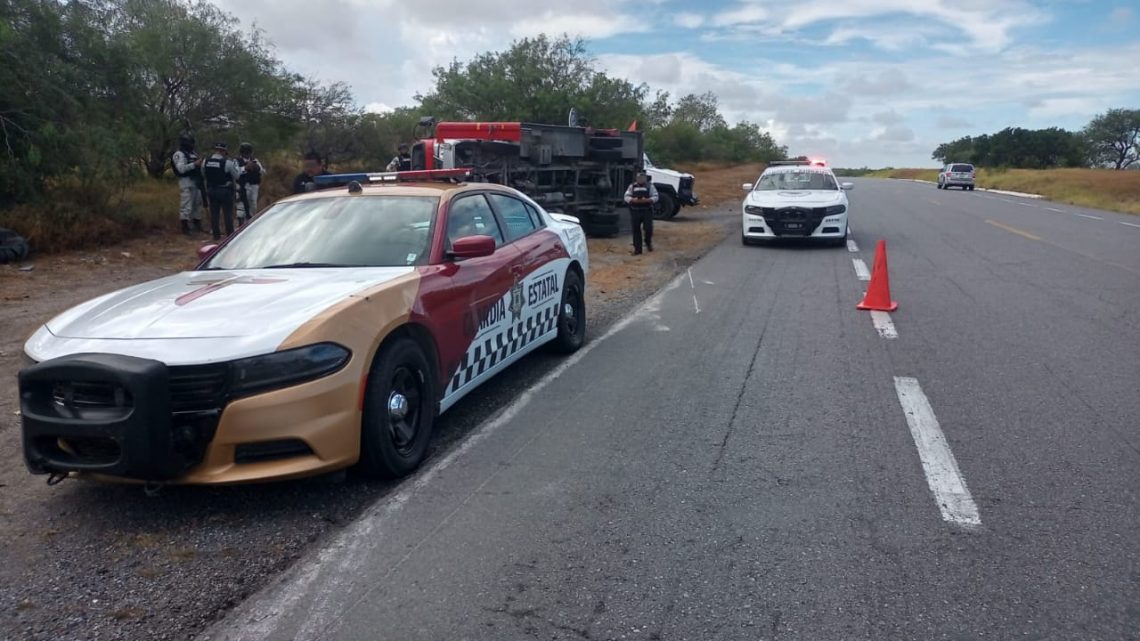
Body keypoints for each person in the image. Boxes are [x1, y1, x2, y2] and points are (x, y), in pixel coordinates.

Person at [202, 142, 241, 240]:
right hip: (225, 190)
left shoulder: (205, 161)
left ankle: (216, 235)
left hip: (211, 190)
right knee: (227, 214)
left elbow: (203, 174)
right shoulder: (227, 162)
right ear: (224, 151)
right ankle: (230, 235)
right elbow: (237, 176)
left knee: (214, 214)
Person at [171, 134, 206, 235]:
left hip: (196, 181)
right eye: (191, 143)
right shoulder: (179, 154)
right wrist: (194, 164)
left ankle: (197, 224)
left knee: (197, 203)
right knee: (186, 204)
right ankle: (185, 227)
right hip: (186, 181)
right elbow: (181, 169)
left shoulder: (193, 153)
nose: (192, 145)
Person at [623, 170, 659, 255]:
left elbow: (656, 196)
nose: (641, 179)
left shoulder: (650, 186)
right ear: (636, 178)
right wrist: (632, 200)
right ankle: (637, 249)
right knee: (636, 230)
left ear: (645, 178)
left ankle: (648, 242)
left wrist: (648, 200)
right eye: (639, 178)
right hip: (635, 211)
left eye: (642, 177)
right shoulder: (632, 186)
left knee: (648, 228)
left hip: (647, 210)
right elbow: (626, 196)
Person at [235, 142, 265, 226]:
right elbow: (235, 172)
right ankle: (241, 224)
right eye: (245, 152)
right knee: (241, 205)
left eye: (248, 152)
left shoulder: (255, 160)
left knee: (253, 204)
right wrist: (245, 168)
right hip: (242, 185)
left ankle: (251, 222)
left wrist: (257, 168)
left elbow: (262, 172)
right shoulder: (237, 161)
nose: (247, 154)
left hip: (254, 185)